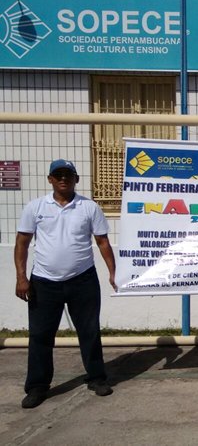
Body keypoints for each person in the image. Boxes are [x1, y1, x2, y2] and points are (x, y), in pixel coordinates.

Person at [15, 159, 117, 409]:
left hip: (83, 280)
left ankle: (97, 378)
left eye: (68, 175)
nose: (63, 179)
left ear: (76, 179)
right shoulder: (35, 207)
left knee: (89, 331)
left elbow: (102, 242)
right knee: (40, 335)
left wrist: (113, 273)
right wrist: (21, 277)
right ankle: (37, 386)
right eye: (58, 175)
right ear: (50, 179)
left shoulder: (89, 207)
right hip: (44, 282)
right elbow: (22, 243)